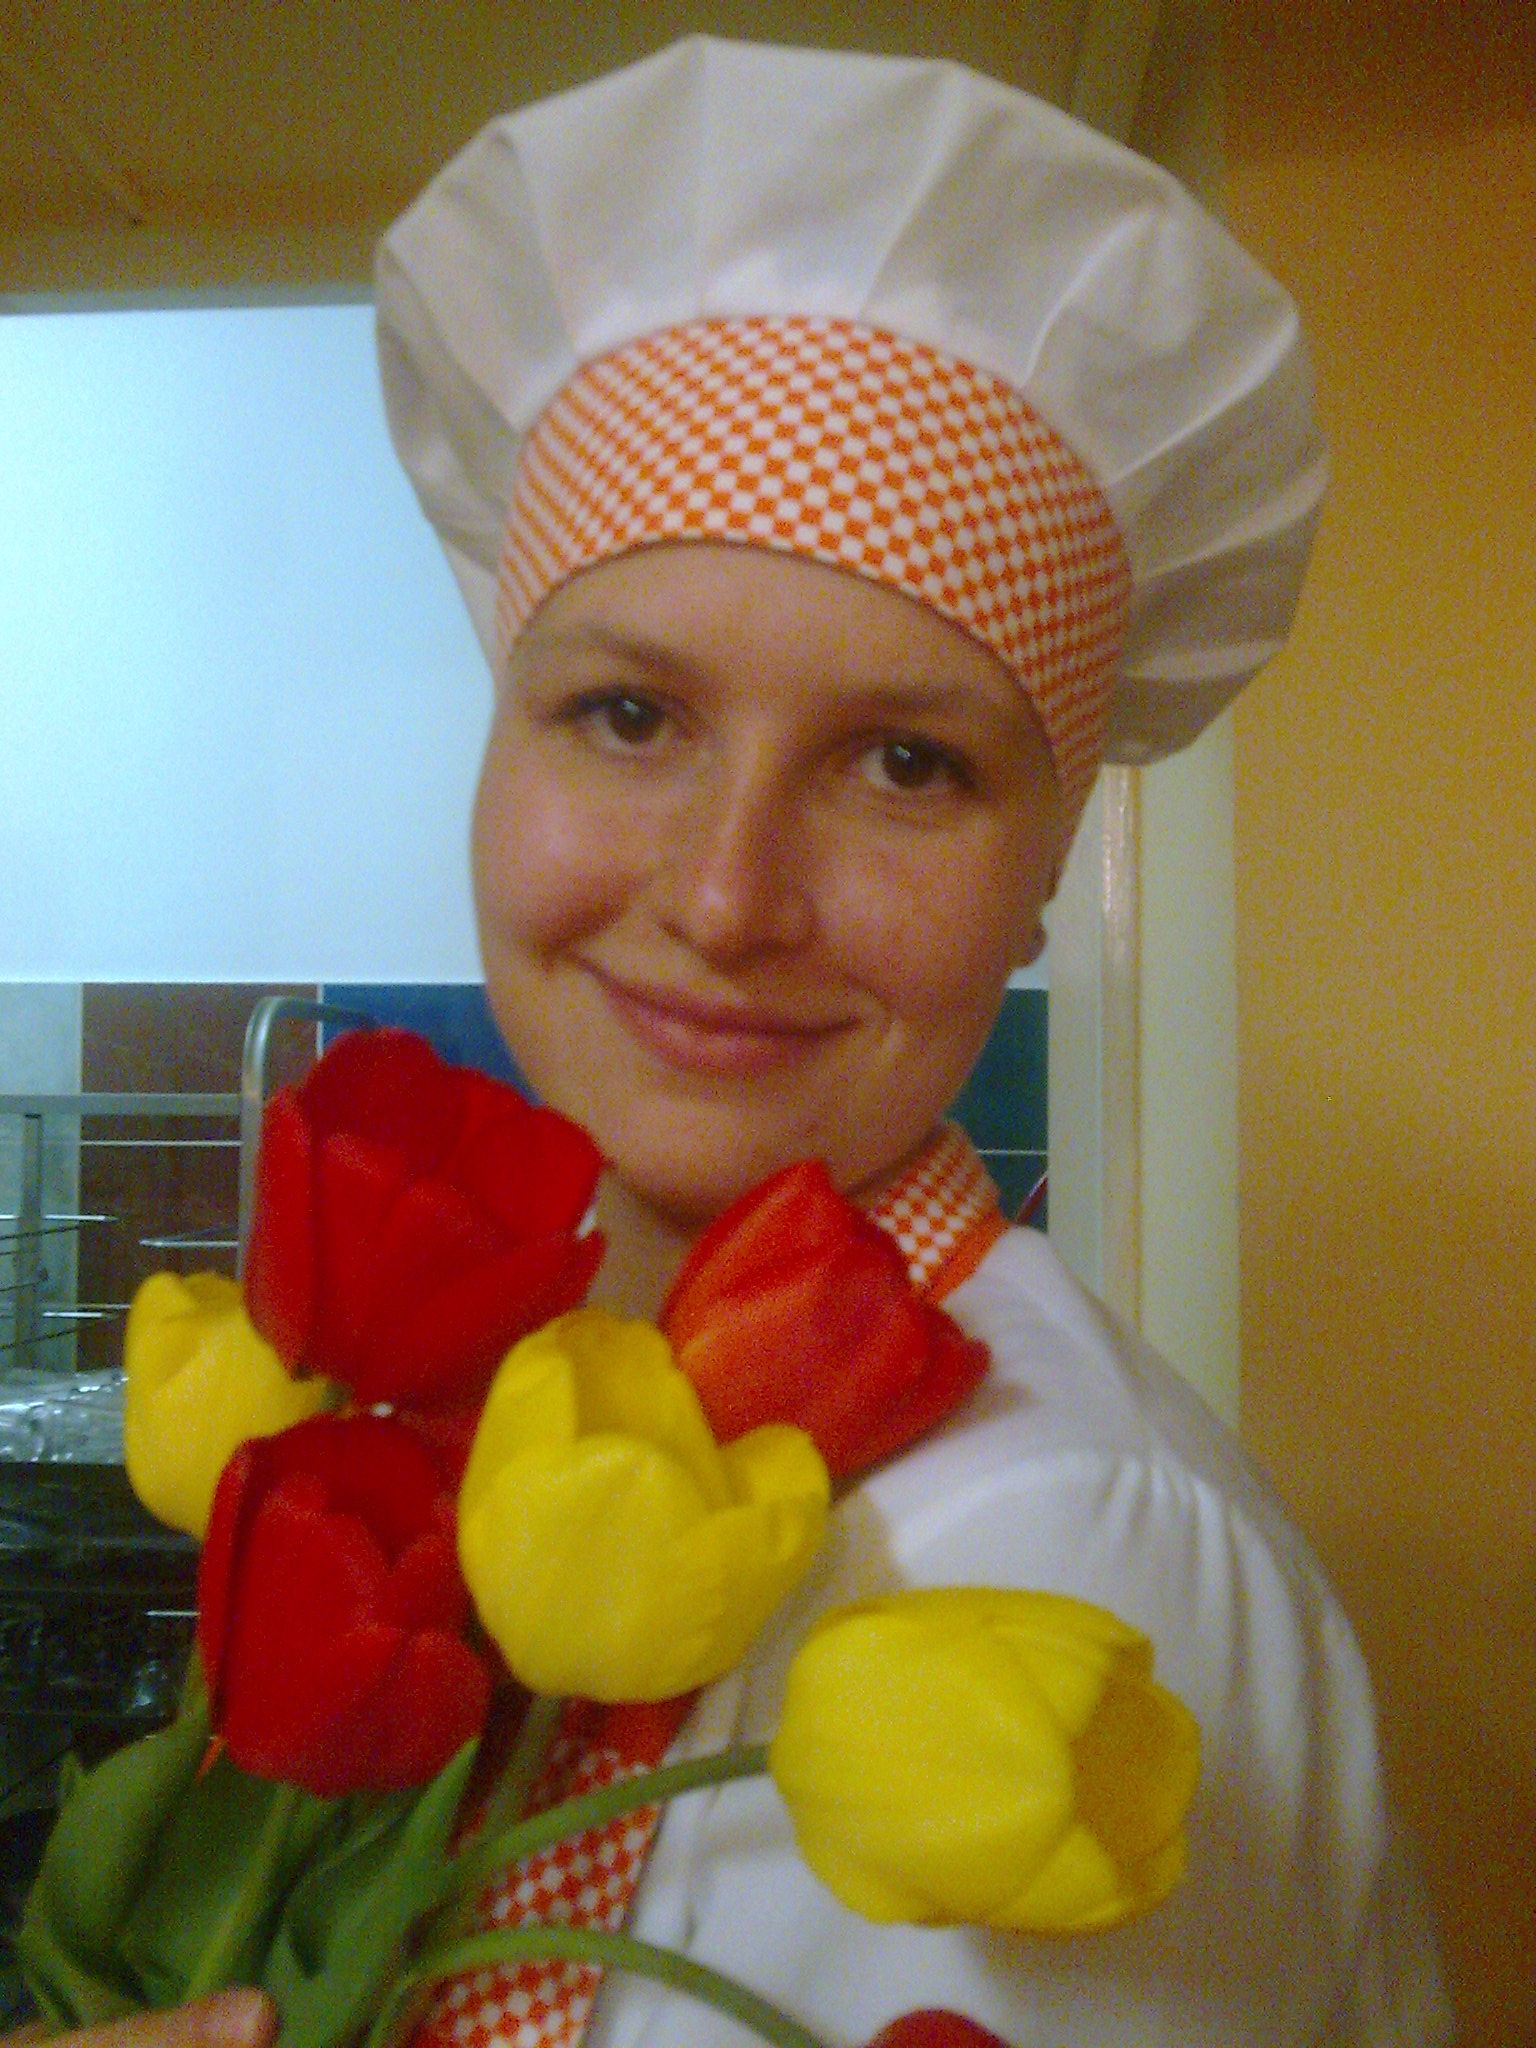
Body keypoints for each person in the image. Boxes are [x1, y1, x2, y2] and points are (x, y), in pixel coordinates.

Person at [35, 34, 1449, 2048]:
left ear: (1043, 875)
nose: (723, 896)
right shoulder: (547, 1395)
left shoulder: (1048, 1556)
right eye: (627, 716)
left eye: (904, 763)